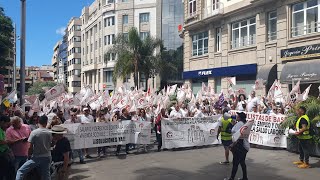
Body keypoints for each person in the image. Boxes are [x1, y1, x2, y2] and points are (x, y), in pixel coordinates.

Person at [16, 115, 52, 180]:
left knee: (20, 171)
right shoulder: (50, 133)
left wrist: (29, 155)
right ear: (46, 123)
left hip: (36, 157)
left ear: (38, 122)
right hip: (47, 156)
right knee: (46, 175)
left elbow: (30, 147)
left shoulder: (34, 132)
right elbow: (52, 144)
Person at [225, 112, 249, 180]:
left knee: (235, 163)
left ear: (240, 117)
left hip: (239, 146)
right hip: (244, 146)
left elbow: (238, 136)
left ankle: (232, 178)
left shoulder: (239, 124)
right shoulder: (244, 123)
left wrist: (232, 145)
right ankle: (245, 177)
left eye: (237, 116)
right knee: (242, 162)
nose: (236, 116)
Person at [0, 115, 15, 180]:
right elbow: (1, 141)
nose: (7, 126)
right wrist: (8, 142)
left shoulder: (2, 129)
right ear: (2, 122)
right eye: (6, 124)